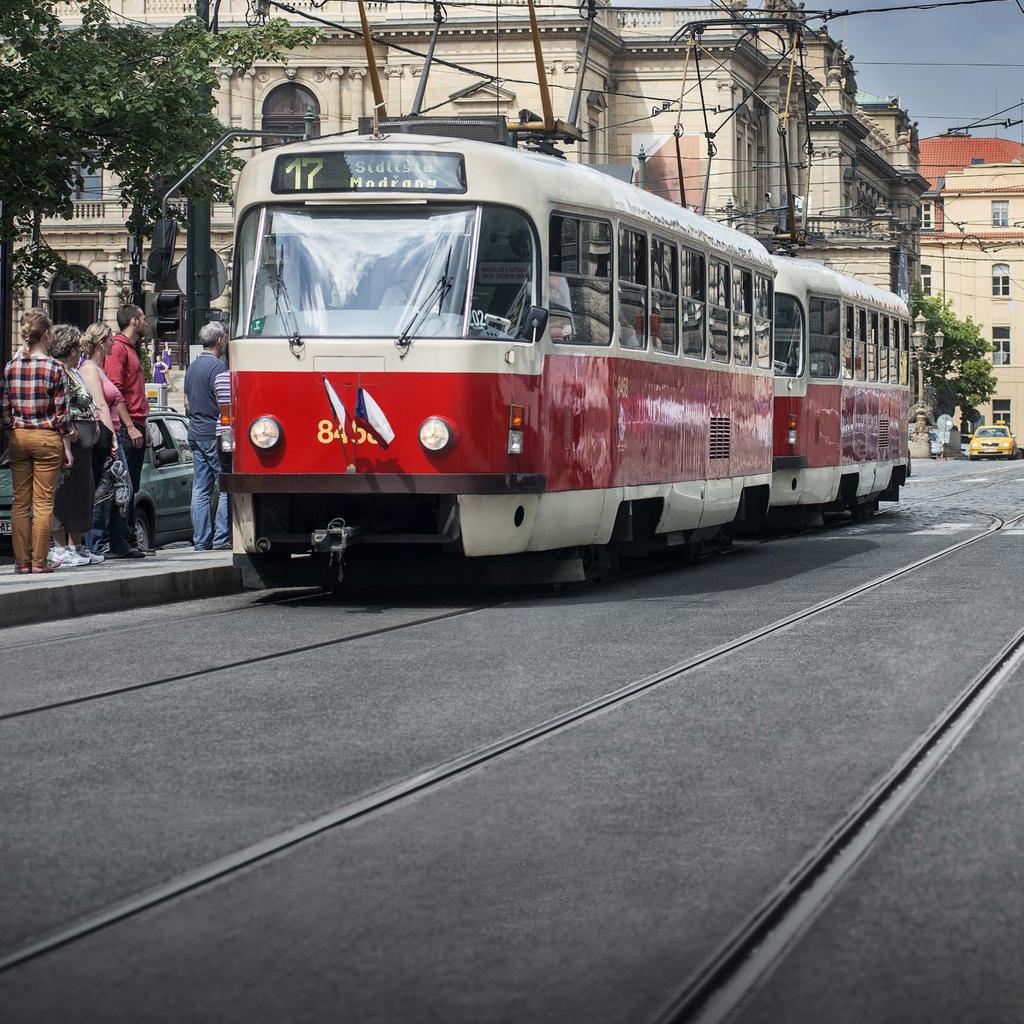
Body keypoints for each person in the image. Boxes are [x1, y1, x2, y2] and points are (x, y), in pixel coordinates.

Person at [0, 309, 73, 574]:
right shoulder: (55, 368)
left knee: (20, 502)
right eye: (51, 332)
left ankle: (22, 563)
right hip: (46, 438)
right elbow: (62, 414)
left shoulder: (11, 367)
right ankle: (40, 561)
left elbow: (5, 409)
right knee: (43, 503)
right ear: (45, 335)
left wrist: (13, 434)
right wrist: (67, 447)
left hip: (19, 437)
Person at [48, 325, 103, 567]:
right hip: (71, 442)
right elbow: (59, 407)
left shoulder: (74, 372)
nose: (80, 352)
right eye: (77, 348)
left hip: (85, 446)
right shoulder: (58, 372)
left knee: (83, 494)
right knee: (64, 495)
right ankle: (60, 549)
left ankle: (76, 545)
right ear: (69, 350)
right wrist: (71, 435)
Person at [80, 322, 135, 556]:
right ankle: (97, 542)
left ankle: (117, 542)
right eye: (111, 340)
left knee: (119, 488)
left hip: (112, 433)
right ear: (102, 344)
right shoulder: (90, 369)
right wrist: (112, 436)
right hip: (104, 436)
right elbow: (99, 404)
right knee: (106, 490)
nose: (114, 343)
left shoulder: (100, 368)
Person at [103, 305, 148, 558]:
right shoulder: (119, 349)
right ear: (133, 321)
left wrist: (144, 425)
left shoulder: (131, 349)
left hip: (138, 424)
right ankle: (117, 541)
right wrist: (130, 426)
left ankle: (126, 539)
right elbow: (116, 391)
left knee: (131, 485)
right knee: (123, 485)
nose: (146, 323)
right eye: (143, 319)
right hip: (127, 428)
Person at [183, 321, 230, 550]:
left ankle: (201, 540)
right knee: (225, 486)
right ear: (220, 341)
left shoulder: (192, 368)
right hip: (213, 432)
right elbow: (225, 404)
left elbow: (187, 403)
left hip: (194, 431)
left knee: (201, 488)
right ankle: (221, 537)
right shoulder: (218, 368)